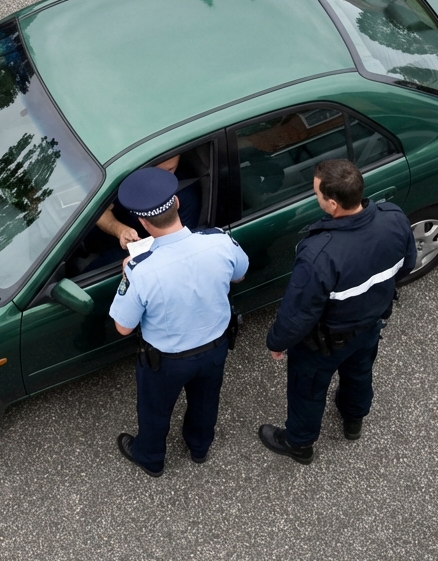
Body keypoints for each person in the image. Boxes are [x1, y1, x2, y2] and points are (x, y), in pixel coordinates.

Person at [258, 159, 415, 465]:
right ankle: (353, 420)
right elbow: (406, 265)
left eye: (316, 194)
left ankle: (299, 444)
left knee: (308, 390)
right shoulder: (393, 218)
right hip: (371, 325)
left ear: (332, 204)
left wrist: (277, 342)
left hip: (325, 343)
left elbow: (299, 311)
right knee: (359, 373)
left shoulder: (320, 254)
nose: (315, 198)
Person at [108, 167, 248, 476]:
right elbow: (240, 274)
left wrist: (125, 273)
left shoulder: (140, 270)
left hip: (166, 362)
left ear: (142, 222)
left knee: (155, 411)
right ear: (177, 204)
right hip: (215, 348)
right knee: (205, 401)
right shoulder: (220, 241)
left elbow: (123, 327)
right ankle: (199, 447)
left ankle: (151, 458)